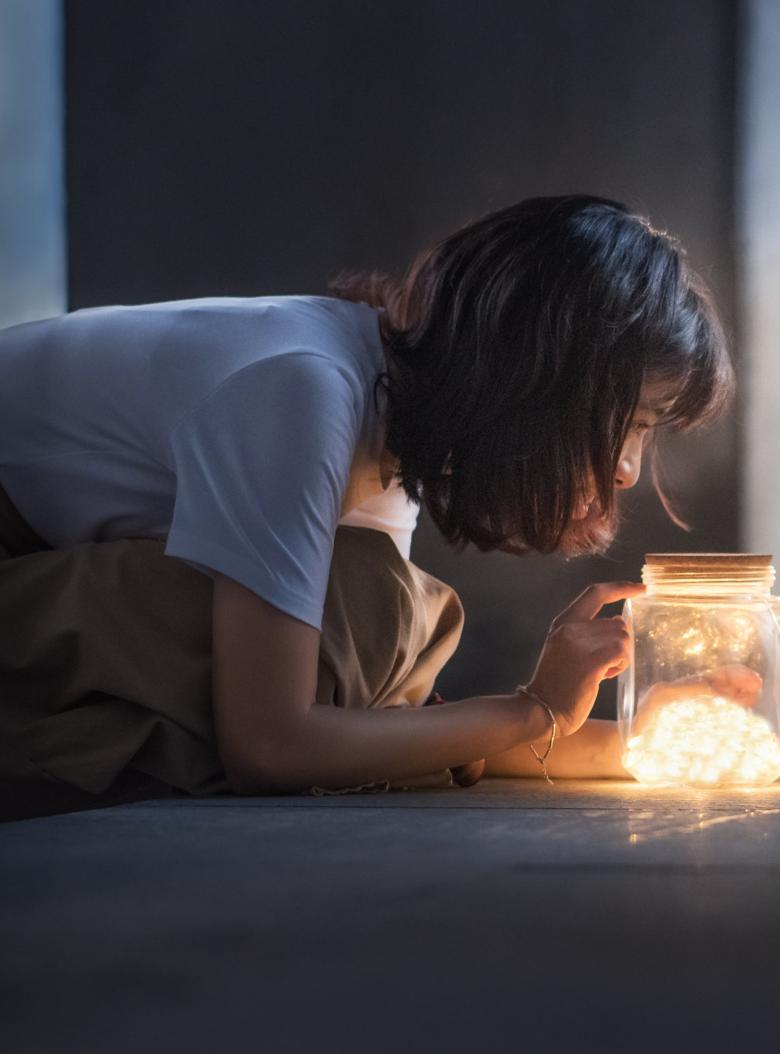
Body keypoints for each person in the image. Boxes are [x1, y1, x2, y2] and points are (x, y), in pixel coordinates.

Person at [0, 195, 732, 811]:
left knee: (370, 616)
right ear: (539, 385)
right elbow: (273, 743)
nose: (632, 469)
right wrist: (530, 710)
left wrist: (650, 736)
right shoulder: (301, 389)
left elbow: (377, 724)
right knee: (368, 602)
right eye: (633, 422)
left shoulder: (378, 425)